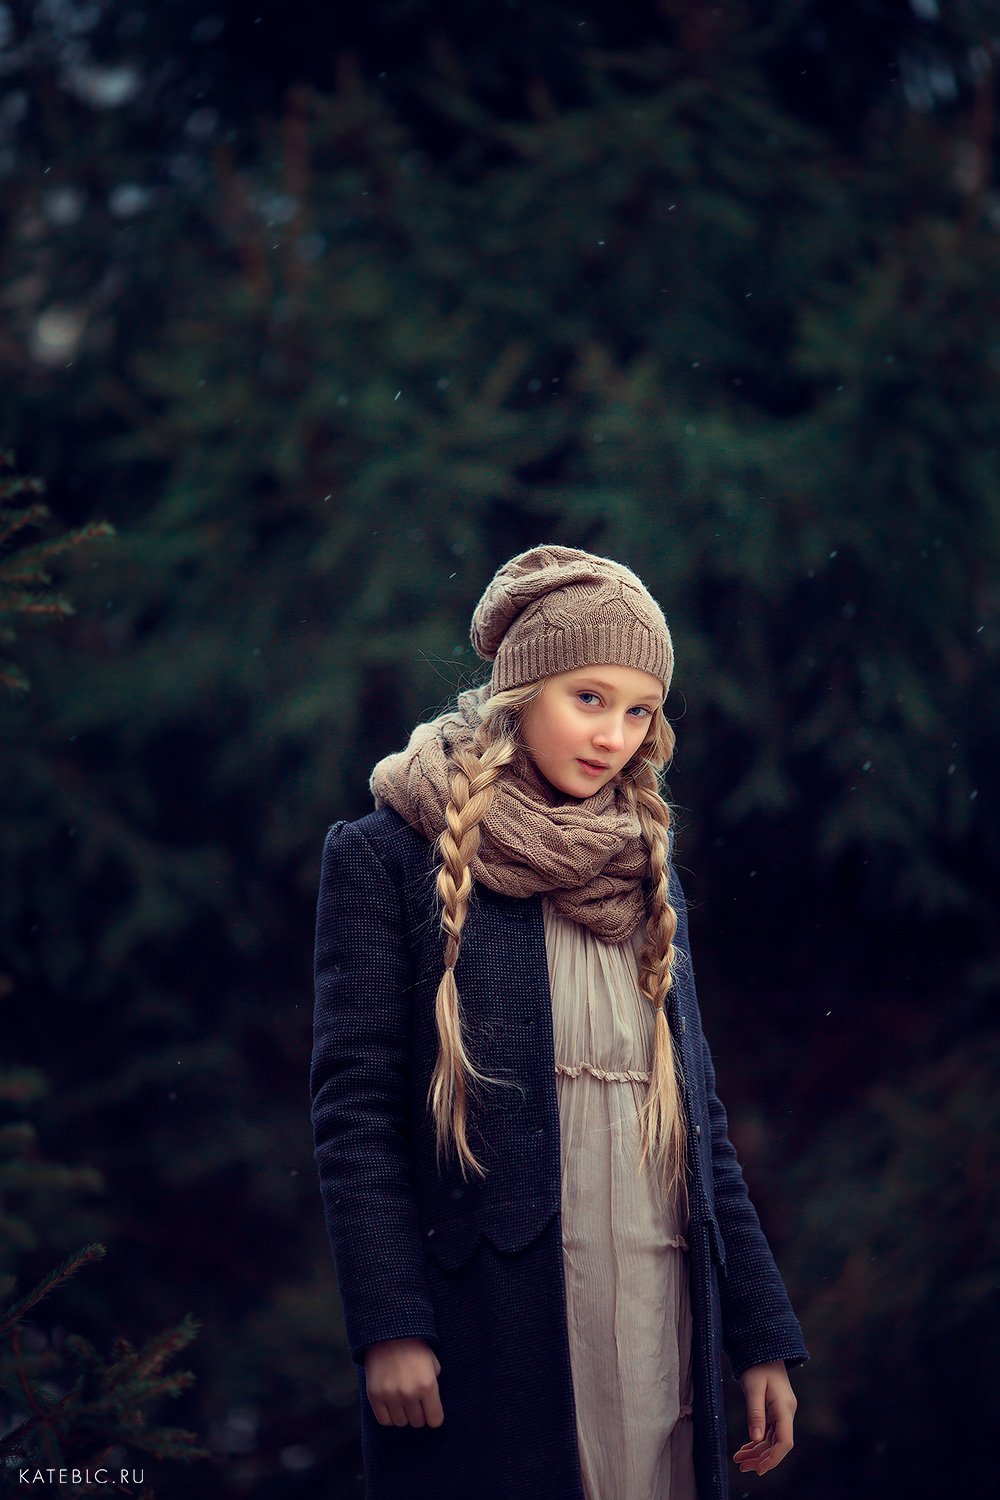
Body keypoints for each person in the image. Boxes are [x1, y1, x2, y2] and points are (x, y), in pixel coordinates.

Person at [309, 544, 808, 1500]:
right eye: (588, 697)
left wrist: (760, 1335)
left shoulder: (645, 872)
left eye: (639, 710)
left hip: (663, 1313)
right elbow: (356, 1115)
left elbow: (704, 1137)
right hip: (488, 1325)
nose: (614, 734)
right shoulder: (386, 856)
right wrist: (390, 1322)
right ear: (520, 690)